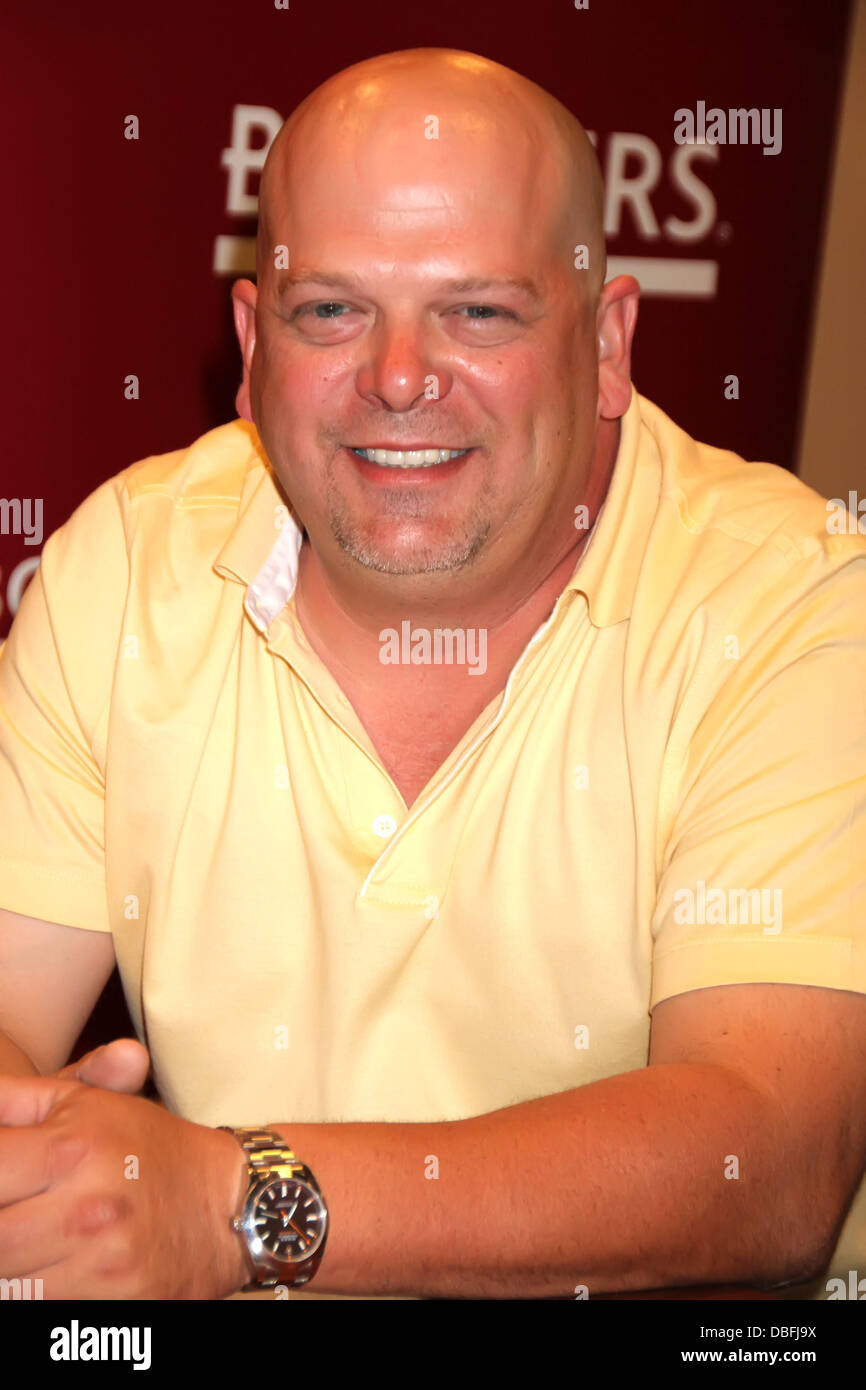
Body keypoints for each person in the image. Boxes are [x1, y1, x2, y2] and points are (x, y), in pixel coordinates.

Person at [0, 47, 864, 1303]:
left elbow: (768, 1155)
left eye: (480, 312)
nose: (399, 377)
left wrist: (236, 1200)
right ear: (250, 346)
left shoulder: (794, 599)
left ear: (608, 342)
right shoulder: (125, 569)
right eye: (331, 311)